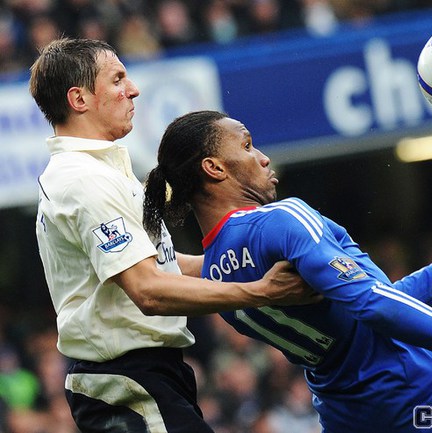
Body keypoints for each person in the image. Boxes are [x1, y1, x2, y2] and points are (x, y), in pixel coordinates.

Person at [142, 110, 432, 433]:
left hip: (354, 416)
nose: (263, 157)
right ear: (214, 168)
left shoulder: (216, 279)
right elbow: (371, 305)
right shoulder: (282, 219)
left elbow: (352, 321)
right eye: (247, 145)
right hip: (430, 393)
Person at [30, 39, 318, 433]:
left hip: (145, 376)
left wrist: (250, 262)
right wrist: (263, 291)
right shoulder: (85, 181)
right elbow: (147, 289)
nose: (133, 89)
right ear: (79, 99)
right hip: (127, 379)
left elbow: (162, 263)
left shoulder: (99, 171)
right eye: (117, 79)